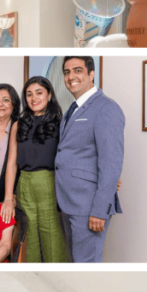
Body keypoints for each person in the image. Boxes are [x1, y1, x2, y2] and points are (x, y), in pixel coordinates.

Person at [56, 56, 125, 263]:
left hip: (89, 205)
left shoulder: (106, 108)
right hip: (70, 202)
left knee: (86, 266)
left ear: (91, 74)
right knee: (77, 263)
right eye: (67, 72)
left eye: (77, 70)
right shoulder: (72, 109)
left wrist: (100, 209)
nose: (71, 77)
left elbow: (111, 162)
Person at [2, 77, 69, 263]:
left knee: (52, 233)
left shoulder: (60, 123)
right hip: (24, 184)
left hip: (50, 182)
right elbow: (11, 163)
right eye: (29, 94)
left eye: (39, 93)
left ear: (49, 95)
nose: (34, 98)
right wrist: (8, 197)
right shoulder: (18, 124)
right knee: (27, 235)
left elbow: (75, 155)